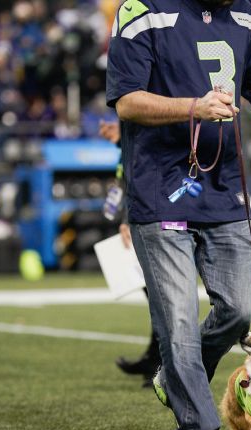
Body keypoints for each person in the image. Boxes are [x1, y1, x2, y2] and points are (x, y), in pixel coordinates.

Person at [107, 0, 251, 430]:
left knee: (239, 307)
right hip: (159, 186)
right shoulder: (143, 9)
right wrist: (193, 107)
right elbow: (127, 100)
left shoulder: (246, 14)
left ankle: (174, 378)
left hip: (223, 188)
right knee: (178, 322)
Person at [99, 117, 161, 387]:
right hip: (146, 209)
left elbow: (145, 164)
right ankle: (156, 358)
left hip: (156, 212)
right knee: (159, 296)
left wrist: (128, 216)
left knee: (163, 295)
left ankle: (162, 362)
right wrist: (121, 138)